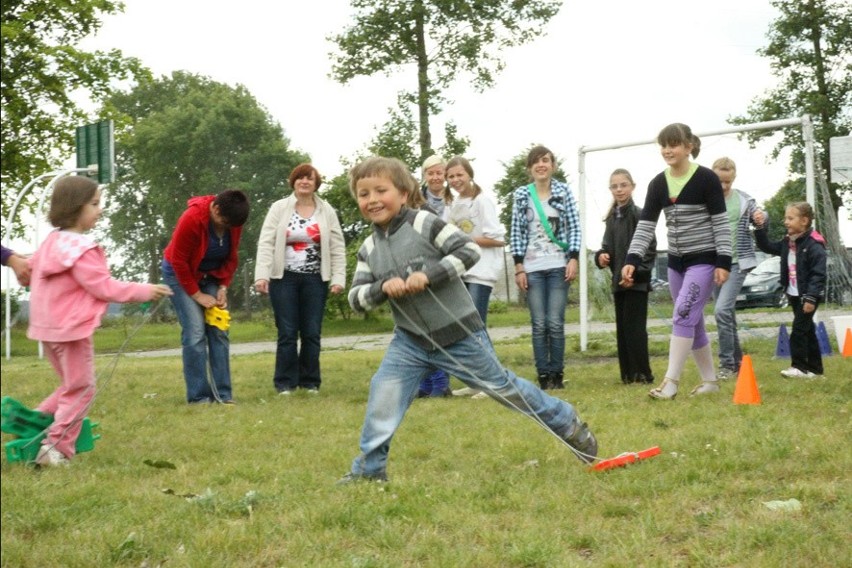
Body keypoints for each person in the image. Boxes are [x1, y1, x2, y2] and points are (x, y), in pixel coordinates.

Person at [339, 156, 597, 483]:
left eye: (380, 190)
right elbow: (355, 297)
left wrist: (429, 275)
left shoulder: (425, 223)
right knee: (383, 396)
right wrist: (380, 288)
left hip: (459, 334)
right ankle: (369, 471)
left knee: (504, 389)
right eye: (364, 194)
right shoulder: (368, 249)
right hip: (410, 341)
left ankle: (565, 420)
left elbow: (468, 252)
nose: (372, 200)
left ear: (403, 193)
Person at [27, 176, 172, 466]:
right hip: (72, 330)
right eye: (94, 204)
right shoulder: (81, 249)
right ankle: (55, 447)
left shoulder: (51, 243)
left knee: (72, 384)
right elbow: (104, 287)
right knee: (82, 388)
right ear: (74, 207)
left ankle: (34, 422)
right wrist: (145, 290)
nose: (100, 210)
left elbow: (32, 274)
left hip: (48, 328)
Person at [622, 123, 732, 400]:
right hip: (676, 264)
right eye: (664, 145)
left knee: (682, 313)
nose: (668, 150)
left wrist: (724, 261)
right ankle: (710, 381)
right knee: (691, 321)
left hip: (704, 261)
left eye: (673, 144)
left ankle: (670, 382)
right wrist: (631, 258)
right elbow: (646, 226)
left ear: (688, 147)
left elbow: (720, 224)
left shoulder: (706, 179)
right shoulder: (658, 183)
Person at [254, 164, 346, 394]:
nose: (305, 182)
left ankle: (310, 382)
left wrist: (338, 278)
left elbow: (337, 246)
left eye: (310, 179)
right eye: (301, 178)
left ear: (316, 184)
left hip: (315, 279)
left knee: (311, 332)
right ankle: (285, 383)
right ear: (293, 181)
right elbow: (265, 242)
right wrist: (261, 275)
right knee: (287, 331)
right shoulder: (279, 208)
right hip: (284, 278)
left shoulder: (326, 211)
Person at [162, 189, 249, 404]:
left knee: (219, 330)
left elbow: (232, 257)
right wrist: (197, 295)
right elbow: (179, 262)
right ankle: (199, 397)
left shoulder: (233, 223)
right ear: (216, 209)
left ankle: (223, 395)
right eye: (224, 222)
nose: (226, 228)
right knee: (195, 331)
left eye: (231, 226)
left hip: (211, 275)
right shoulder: (191, 219)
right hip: (179, 274)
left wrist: (222, 287)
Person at [509, 145, 580, 390]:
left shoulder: (564, 192)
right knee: (539, 323)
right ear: (530, 168)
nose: (541, 165)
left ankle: (557, 375)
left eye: (546, 160)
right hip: (532, 267)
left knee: (555, 322)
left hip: (559, 265)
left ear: (553, 166)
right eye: (536, 161)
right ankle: (543, 375)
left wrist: (574, 258)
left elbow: (574, 226)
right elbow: (516, 232)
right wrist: (519, 267)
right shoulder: (521, 195)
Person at [442, 156, 506, 398]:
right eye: (451, 176)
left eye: (460, 174)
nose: (456, 180)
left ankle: (494, 383)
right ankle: (476, 380)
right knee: (465, 328)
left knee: (477, 326)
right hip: (462, 271)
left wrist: (464, 239)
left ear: (469, 174)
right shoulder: (452, 204)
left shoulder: (483, 201)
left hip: (482, 271)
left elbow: (497, 238)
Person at [594, 169, 656, 385]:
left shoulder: (640, 215)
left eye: (623, 185)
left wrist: (636, 273)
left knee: (636, 330)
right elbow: (607, 248)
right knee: (622, 329)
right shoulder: (611, 218)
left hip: (637, 283)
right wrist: (601, 257)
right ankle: (628, 375)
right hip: (618, 283)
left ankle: (643, 373)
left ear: (633, 186)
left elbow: (650, 248)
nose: (619, 189)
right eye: (614, 186)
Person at [753, 202, 826, 378]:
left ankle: (799, 367)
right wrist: (759, 227)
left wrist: (810, 298)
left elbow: (818, 274)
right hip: (793, 293)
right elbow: (767, 247)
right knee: (807, 331)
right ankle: (815, 370)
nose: (786, 222)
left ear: (804, 221)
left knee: (799, 331)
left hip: (808, 296)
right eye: (786, 217)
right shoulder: (788, 242)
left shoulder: (814, 245)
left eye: (790, 218)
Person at [711, 157, 765, 380]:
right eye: (719, 182)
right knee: (727, 315)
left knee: (721, 310)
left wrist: (761, 217)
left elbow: (760, 213)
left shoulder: (743, 200)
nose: (723, 187)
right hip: (714, 264)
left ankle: (726, 364)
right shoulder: (706, 200)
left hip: (737, 262)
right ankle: (739, 363)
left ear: (733, 179)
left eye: (727, 182)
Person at [416, 155, 453, 398]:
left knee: (442, 326)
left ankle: (441, 383)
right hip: (422, 266)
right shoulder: (414, 200)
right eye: (431, 173)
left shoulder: (457, 199)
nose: (436, 177)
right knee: (421, 325)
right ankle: (424, 384)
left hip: (449, 267)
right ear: (425, 176)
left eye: (440, 172)